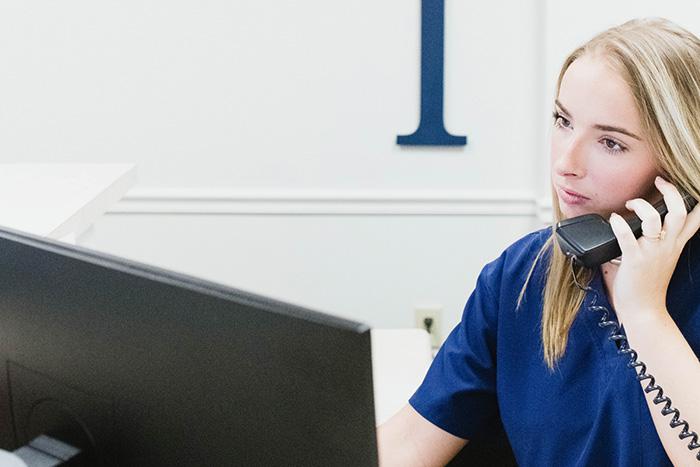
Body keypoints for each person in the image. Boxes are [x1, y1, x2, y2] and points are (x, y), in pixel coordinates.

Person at [377, 17, 700, 466]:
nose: (566, 162)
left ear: (680, 162)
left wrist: (644, 312)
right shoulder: (522, 275)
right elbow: (411, 442)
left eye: (610, 143)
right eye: (563, 121)